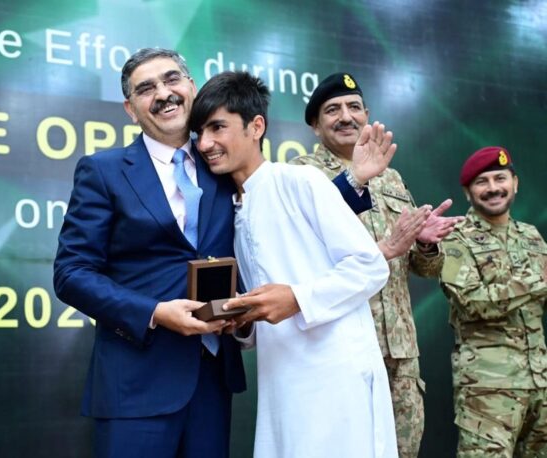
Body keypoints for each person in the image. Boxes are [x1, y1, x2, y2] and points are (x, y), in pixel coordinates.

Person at [53, 49, 387, 457]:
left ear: (191, 87)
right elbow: (72, 273)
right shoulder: (103, 171)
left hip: (212, 381)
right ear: (130, 108)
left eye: (172, 79)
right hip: (136, 385)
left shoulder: (224, 165)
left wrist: (353, 181)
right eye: (146, 88)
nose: (163, 93)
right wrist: (154, 312)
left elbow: (283, 211)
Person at [190, 70, 398, 457]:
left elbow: (370, 265)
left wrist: (296, 299)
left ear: (256, 127)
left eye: (217, 127)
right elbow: (264, 307)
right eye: (199, 132)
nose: (205, 144)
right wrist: (242, 322)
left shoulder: (300, 181)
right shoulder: (233, 210)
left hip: (336, 377)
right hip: (281, 380)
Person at [289, 72, 463, 457]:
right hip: (341, 345)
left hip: (400, 351)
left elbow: (423, 268)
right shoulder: (301, 175)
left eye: (354, 107)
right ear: (315, 125)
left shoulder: (392, 178)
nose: (345, 116)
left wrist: (424, 243)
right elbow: (300, 249)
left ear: (367, 115)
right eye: (332, 110)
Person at [439, 146, 547, 457]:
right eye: (481, 182)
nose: (493, 188)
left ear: (515, 183)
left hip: (540, 383)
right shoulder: (454, 238)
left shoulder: (531, 236)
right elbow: (473, 303)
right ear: (467, 191)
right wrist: (537, 279)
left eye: (500, 178)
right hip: (487, 389)